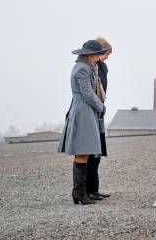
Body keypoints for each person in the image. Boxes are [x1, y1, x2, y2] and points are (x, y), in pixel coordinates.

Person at [58, 40, 108, 205]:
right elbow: (87, 93)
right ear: (90, 55)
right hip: (83, 112)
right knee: (82, 151)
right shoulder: (81, 69)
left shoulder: (86, 67)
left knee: (84, 152)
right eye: (97, 54)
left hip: (87, 111)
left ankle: (79, 192)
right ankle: (79, 193)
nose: (98, 57)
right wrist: (101, 106)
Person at [85, 37, 112, 200]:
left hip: (99, 110)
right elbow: (91, 91)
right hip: (93, 111)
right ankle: (87, 190)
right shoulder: (90, 68)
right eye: (106, 54)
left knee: (97, 152)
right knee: (90, 152)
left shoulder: (101, 67)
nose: (107, 57)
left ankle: (94, 188)